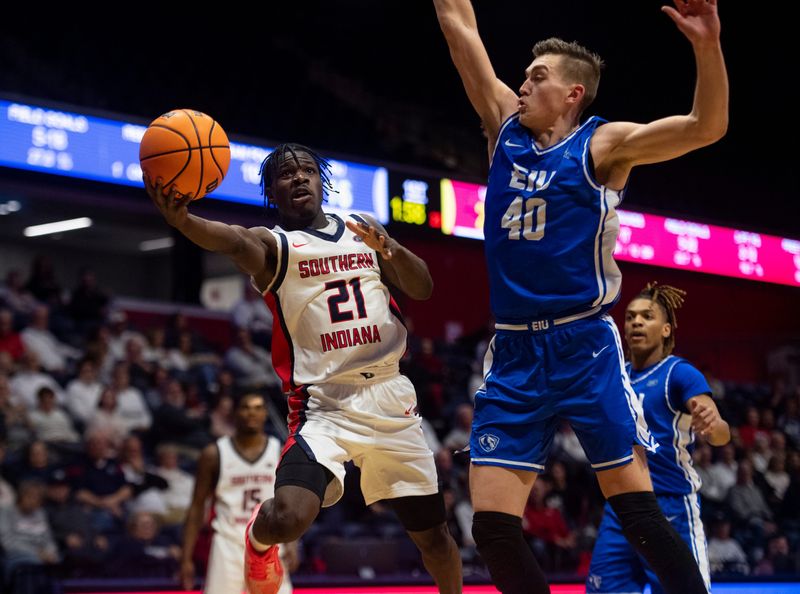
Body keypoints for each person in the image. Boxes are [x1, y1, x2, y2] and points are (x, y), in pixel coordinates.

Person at [432, 0, 728, 592]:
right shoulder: (505, 126)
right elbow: (459, 22)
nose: (521, 85)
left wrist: (706, 45)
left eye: (536, 77)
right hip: (514, 350)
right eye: (522, 77)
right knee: (490, 527)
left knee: (638, 513)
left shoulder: (603, 145)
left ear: (573, 93)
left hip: (584, 343)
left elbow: (706, 127)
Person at [146, 142, 462, 594]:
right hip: (325, 404)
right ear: (272, 192)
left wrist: (390, 248)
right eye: (286, 174)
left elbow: (424, 287)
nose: (299, 178)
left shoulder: (363, 230)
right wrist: (182, 221)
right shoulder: (274, 246)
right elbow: (232, 238)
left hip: (392, 396)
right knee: (289, 517)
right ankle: (258, 542)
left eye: (308, 170)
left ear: (321, 181)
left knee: (434, 538)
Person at [587, 283, 730, 593]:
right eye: (630, 317)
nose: (636, 322)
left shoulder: (680, 373)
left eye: (647, 316)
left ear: (666, 329)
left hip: (670, 506)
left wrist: (712, 422)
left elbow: (720, 433)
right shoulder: (615, 377)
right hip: (620, 509)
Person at [180, 392, 292, 593]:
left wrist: (292, 544)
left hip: (268, 544)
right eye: (246, 407)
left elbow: (289, 503)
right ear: (235, 413)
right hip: (227, 544)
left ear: (266, 414)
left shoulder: (280, 450)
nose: (252, 413)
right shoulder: (214, 454)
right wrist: (186, 557)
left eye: (258, 408)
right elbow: (197, 508)